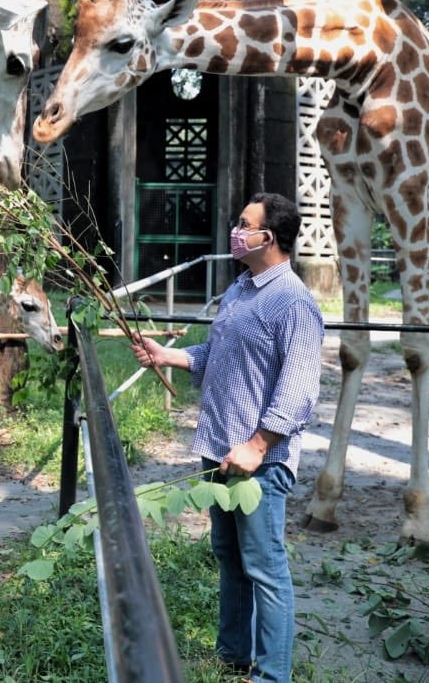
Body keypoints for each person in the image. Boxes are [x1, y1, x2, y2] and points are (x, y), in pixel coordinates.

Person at [132, 192, 323, 683]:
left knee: (265, 567)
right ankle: (233, 654)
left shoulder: (294, 302)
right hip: (219, 449)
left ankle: (271, 675)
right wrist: (167, 356)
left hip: (258, 459)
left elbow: (299, 391)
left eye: (245, 224)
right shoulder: (241, 288)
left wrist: (258, 446)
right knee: (229, 555)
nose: (236, 231)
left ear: (270, 237)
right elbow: (218, 353)